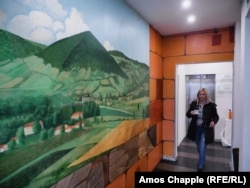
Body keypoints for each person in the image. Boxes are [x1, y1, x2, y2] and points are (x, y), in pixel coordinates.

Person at [186, 88, 219, 172]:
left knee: (202, 146)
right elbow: (188, 115)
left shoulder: (211, 105)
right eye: (200, 94)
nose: (201, 96)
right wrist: (191, 113)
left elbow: (216, 116)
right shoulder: (194, 104)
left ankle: (200, 166)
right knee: (199, 147)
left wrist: (213, 121)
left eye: (203, 94)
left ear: (206, 95)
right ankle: (202, 160)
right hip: (196, 129)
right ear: (198, 95)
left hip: (206, 129)